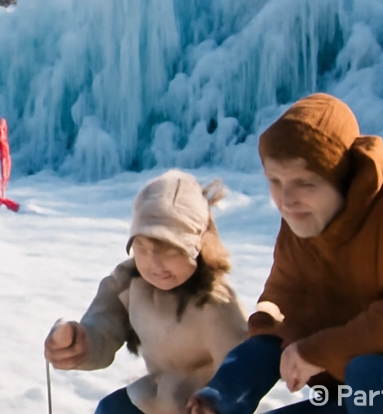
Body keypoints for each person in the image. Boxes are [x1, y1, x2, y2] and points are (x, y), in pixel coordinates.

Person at [188, 93, 383, 414]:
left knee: (370, 374)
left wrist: (317, 351)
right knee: (365, 378)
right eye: (275, 181)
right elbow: (278, 323)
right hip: (364, 396)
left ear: (344, 177)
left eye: (305, 182)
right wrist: (220, 395)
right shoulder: (303, 220)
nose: (286, 199)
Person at [44, 170, 248, 414]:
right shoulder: (129, 282)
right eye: (143, 248)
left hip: (202, 404)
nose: (156, 264)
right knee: (110, 409)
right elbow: (104, 327)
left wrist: (219, 401)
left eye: (171, 251)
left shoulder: (215, 303)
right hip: (156, 396)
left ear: (198, 246)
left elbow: (242, 369)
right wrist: (78, 344)